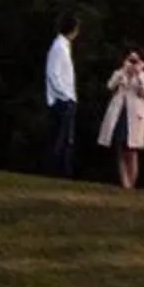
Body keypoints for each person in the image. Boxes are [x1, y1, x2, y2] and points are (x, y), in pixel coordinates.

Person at [99, 47, 144, 190]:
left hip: (134, 116)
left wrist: (138, 74)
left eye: (136, 60)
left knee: (132, 150)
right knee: (120, 149)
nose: (132, 63)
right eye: (130, 59)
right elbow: (110, 86)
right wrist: (123, 72)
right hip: (119, 113)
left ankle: (131, 183)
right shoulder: (119, 73)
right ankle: (125, 183)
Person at [43, 17, 81, 177]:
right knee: (60, 139)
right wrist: (65, 95)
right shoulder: (58, 47)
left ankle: (64, 173)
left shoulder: (64, 46)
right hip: (62, 100)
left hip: (67, 99)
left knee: (67, 140)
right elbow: (53, 73)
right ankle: (55, 171)